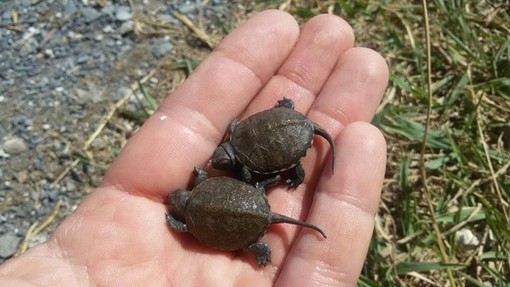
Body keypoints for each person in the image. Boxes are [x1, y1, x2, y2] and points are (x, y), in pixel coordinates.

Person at [0, 10, 388, 286]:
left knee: (269, 194)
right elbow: (233, 169)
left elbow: (233, 167)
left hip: (269, 165)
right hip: (262, 174)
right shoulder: (218, 174)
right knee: (267, 196)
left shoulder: (216, 182)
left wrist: (272, 181)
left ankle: (261, 238)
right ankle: (265, 229)